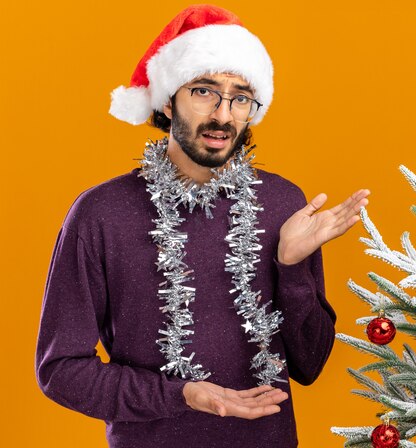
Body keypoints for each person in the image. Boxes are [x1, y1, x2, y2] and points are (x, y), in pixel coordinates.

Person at [34, 4, 370, 448]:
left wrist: (290, 269)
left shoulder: (284, 204)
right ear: (169, 98)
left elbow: (309, 364)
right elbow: (61, 370)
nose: (223, 115)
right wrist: (181, 395)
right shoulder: (101, 213)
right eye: (204, 91)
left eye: (241, 97)